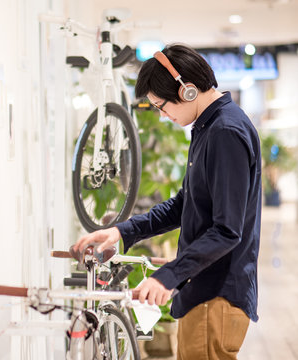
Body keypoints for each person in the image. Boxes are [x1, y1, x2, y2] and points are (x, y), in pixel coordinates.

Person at [73, 44, 261, 360]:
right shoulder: (207, 128)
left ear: (187, 90)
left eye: (161, 106)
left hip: (216, 296)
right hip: (202, 293)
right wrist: (120, 232)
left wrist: (168, 276)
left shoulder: (225, 132)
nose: (162, 116)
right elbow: (184, 205)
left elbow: (228, 230)